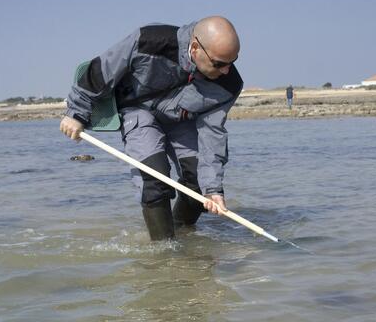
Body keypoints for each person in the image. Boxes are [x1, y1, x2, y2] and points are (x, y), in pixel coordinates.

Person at [60, 16, 242, 241]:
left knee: (198, 186)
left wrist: (214, 189)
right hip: (138, 113)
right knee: (154, 178)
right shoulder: (148, 40)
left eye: (232, 62)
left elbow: (212, 136)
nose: (226, 71)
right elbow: (100, 71)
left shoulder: (229, 84)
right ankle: (163, 252)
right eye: (218, 63)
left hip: (182, 121)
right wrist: (77, 113)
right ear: (195, 48)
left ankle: (182, 234)